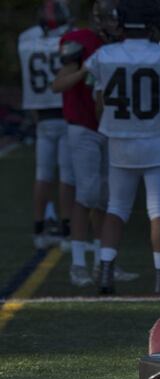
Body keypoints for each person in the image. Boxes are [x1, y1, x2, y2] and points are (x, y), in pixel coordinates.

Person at [85, 0, 160, 294]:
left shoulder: (104, 54)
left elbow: (99, 103)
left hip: (121, 140)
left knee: (116, 208)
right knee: (159, 210)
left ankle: (106, 271)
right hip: (159, 140)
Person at [52, 0, 139, 288]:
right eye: (112, 20)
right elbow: (59, 84)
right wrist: (86, 68)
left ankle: (105, 261)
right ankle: (78, 263)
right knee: (87, 193)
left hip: (112, 129)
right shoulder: (79, 42)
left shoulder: (127, 43)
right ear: (100, 20)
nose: (116, 26)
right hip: (84, 128)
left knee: (105, 196)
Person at [18, 0, 74, 251]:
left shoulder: (26, 39)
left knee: (43, 175)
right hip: (64, 111)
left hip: (41, 114)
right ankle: (66, 231)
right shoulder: (70, 38)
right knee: (66, 177)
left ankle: (39, 229)